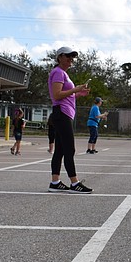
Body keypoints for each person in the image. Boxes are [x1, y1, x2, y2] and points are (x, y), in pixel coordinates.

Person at [48, 46, 92, 193]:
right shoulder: (58, 73)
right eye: (68, 56)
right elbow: (57, 95)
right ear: (59, 57)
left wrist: (79, 94)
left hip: (63, 114)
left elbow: (65, 95)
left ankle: (55, 182)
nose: (70, 59)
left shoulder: (63, 74)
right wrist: (76, 89)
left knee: (60, 150)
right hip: (61, 114)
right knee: (69, 149)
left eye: (72, 57)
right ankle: (74, 183)